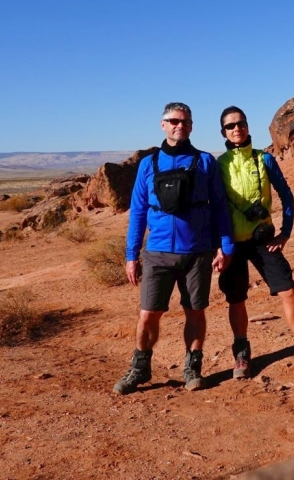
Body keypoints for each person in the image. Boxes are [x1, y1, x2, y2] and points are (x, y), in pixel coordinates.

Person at [113, 102, 235, 395]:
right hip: (157, 253)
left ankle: (193, 367)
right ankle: (139, 368)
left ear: (191, 126)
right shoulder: (148, 164)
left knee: (195, 312)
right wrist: (131, 255)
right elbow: (138, 213)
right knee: (148, 313)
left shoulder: (205, 162)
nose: (180, 125)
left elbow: (220, 207)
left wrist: (225, 246)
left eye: (185, 121)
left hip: (197, 252)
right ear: (163, 124)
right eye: (174, 120)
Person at [216, 106, 294, 379]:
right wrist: (218, 245)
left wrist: (286, 232)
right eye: (230, 126)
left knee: (288, 290)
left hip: (263, 240)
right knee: (236, 299)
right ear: (224, 132)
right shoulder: (218, 166)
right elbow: (214, 208)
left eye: (240, 123)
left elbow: (287, 196)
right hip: (233, 242)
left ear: (247, 125)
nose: (236, 129)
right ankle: (241, 356)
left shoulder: (264, 160)